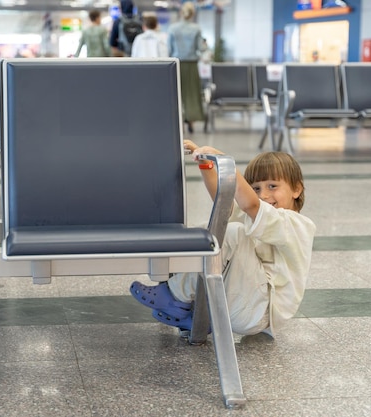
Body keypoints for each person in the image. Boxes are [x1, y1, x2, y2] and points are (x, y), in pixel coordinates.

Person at [130, 141, 316, 337]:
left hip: (258, 313)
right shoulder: (258, 217)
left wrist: (224, 161)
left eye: (272, 186)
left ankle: (175, 296)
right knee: (210, 230)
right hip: (245, 303)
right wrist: (205, 163)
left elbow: (250, 205)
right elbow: (225, 205)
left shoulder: (297, 225)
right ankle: (194, 312)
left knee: (233, 234)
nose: (264, 195)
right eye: (256, 189)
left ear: (297, 189)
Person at [167, 2, 206, 133]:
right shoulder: (196, 28)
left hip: (175, 64)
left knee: (176, 94)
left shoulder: (173, 28)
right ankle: (191, 122)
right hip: (191, 64)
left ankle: (179, 125)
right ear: (192, 14)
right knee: (192, 95)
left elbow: (169, 49)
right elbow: (201, 48)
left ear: (181, 13)